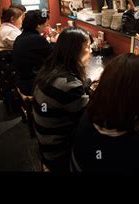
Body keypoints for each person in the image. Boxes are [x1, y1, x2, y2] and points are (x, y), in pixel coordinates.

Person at [33, 27, 95, 172]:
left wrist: (90, 81)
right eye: (87, 47)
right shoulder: (69, 86)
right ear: (74, 51)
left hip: (46, 146)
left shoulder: (51, 71)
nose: (91, 51)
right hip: (60, 154)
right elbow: (92, 119)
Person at [12, 10, 57, 95]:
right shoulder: (36, 39)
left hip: (21, 81)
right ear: (38, 26)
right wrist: (53, 41)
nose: (47, 27)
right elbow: (55, 56)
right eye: (45, 25)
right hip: (33, 85)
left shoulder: (20, 37)